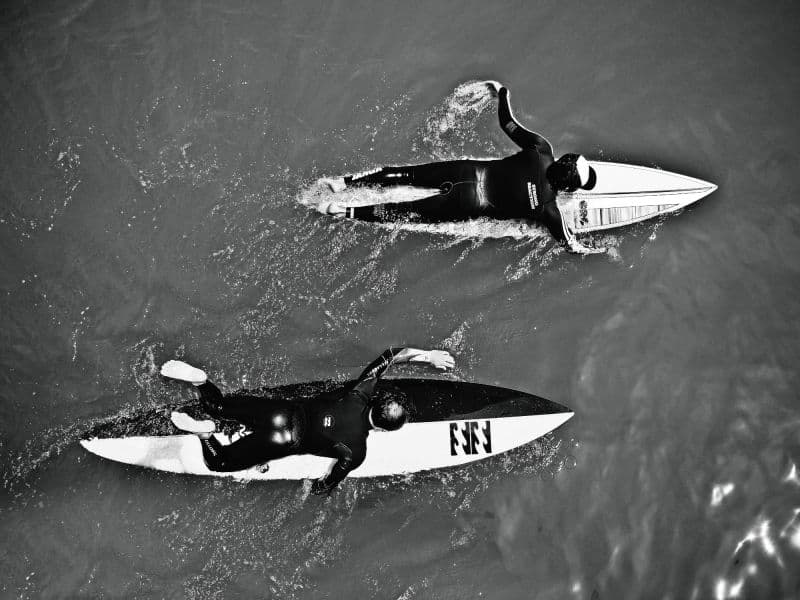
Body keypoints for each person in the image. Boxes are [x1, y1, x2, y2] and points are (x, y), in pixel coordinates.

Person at [319, 82, 603, 254]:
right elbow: (569, 243)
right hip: (466, 203)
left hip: (464, 171)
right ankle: (344, 211)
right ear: (569, 186)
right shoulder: (549, 210)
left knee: (407, 175)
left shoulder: (541, 150)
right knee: (404, 212)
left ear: (564, 159)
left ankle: (343, 183)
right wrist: (594, 250)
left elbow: (508, 123)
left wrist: (501, 93)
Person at [163, 347, 455, 494]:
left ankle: (201, 382)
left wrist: (428, 355)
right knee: (219, 463)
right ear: (381, 429)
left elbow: (391, 355)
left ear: (377, 402)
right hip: (284, 442)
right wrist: (314, 489)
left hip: (282, 412)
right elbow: (325, 485)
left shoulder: (360, 392)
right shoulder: (357, 452)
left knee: (220, 405)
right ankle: (205, 434)